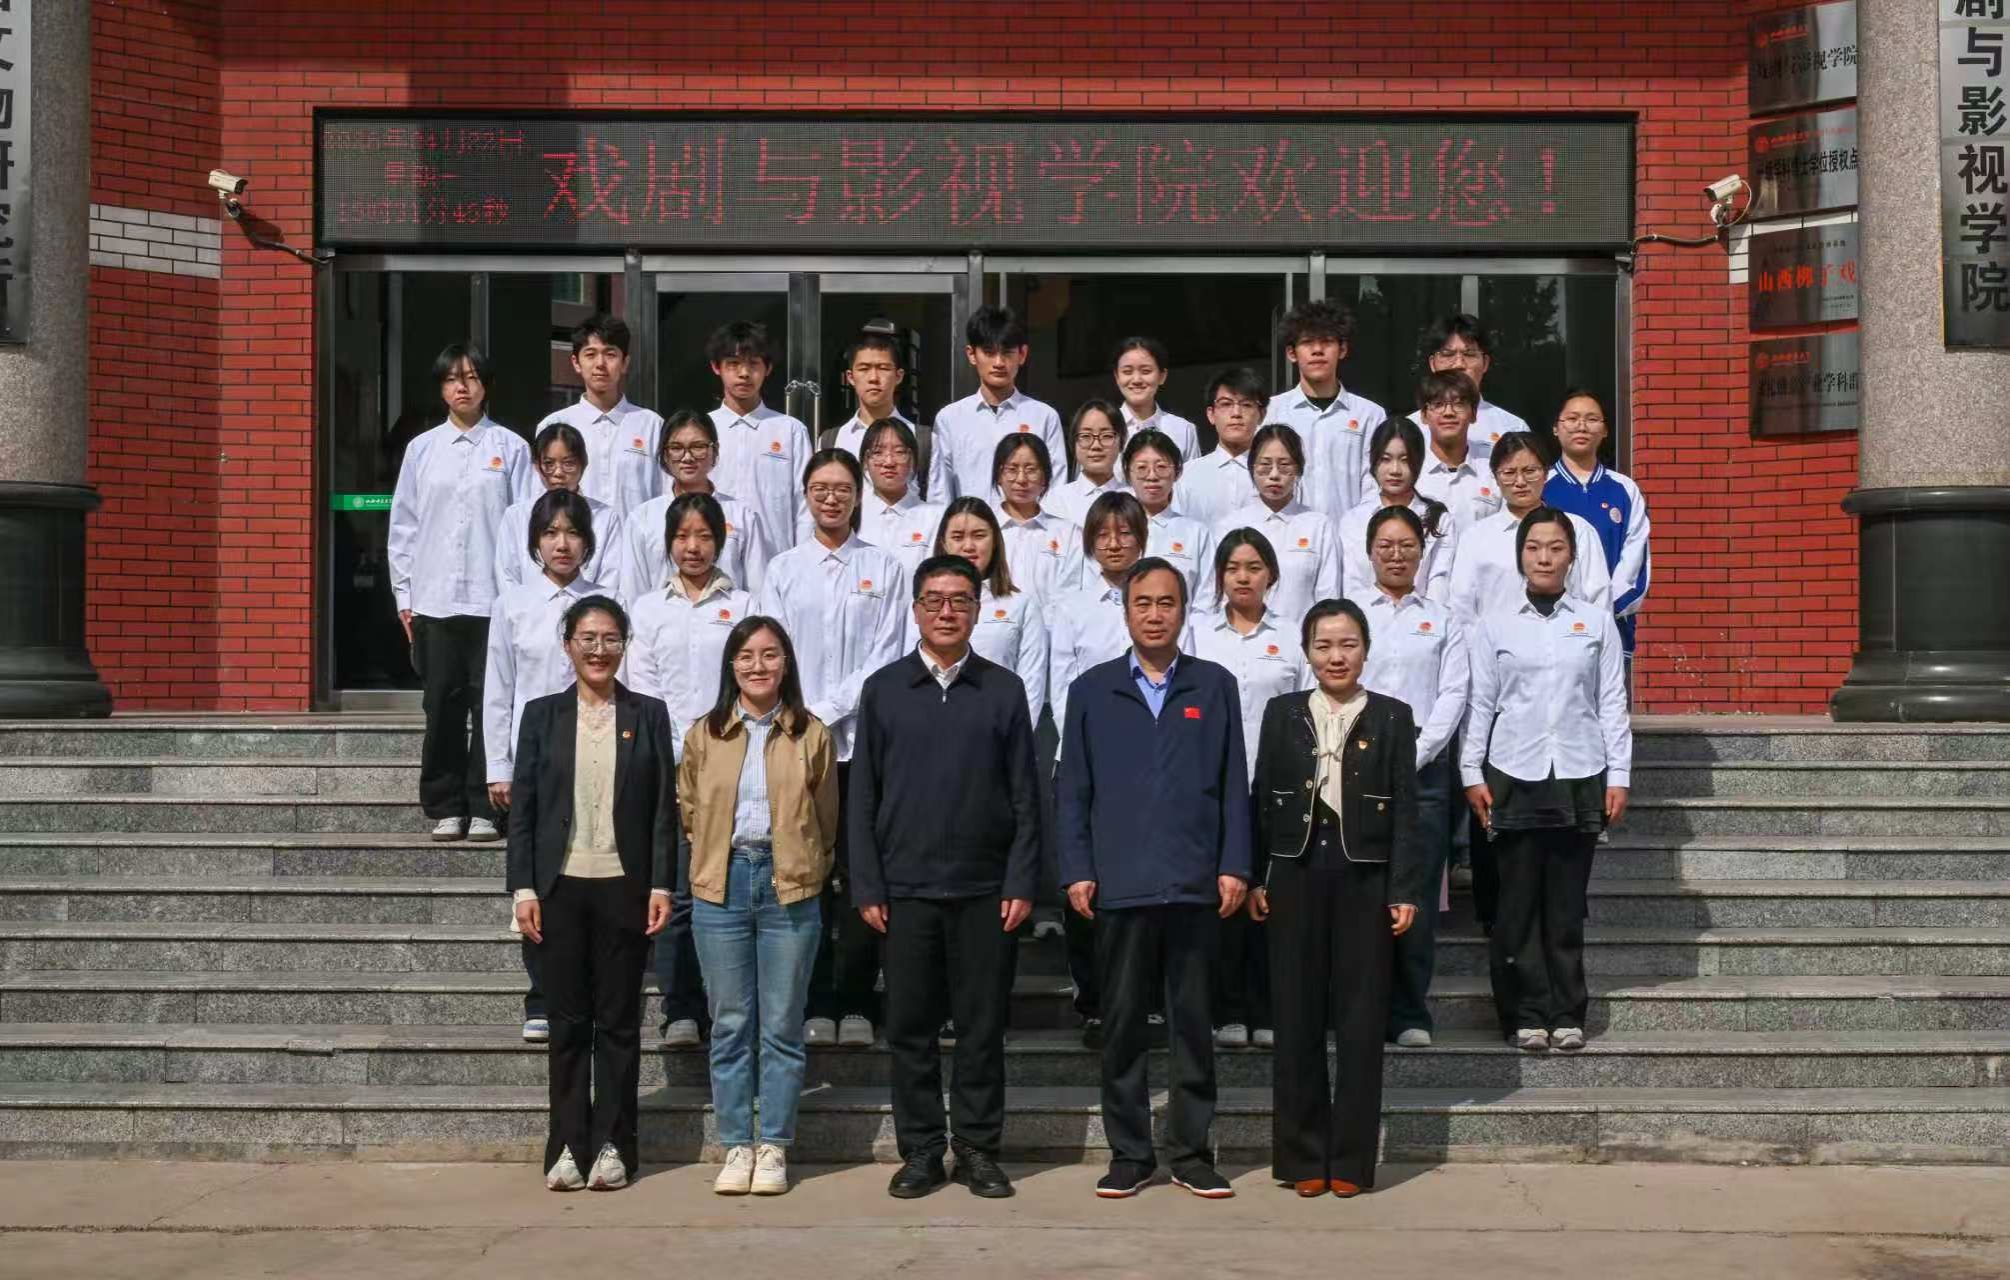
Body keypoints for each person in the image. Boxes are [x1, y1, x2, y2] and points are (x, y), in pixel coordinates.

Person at [1058, 557, 1251, 1200]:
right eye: (1143, 603)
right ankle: (1131, 1154)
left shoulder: (1214, 685)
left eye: (1167, 603)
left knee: (1193, 1024)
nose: (1154, 614)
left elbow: (1233, 783)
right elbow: (1073, 789)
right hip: (1120, 883)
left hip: (1194, 883)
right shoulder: (1091, 690)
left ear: (1184, 611)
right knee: (1121, 1025)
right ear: (1125, 611)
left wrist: (1234, 864)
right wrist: (1077, 868)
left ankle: (1192, 1153)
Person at [852, 555, 1043, 1201]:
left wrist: (1021, 880)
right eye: (934, 600)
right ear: (915, 610)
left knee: (981, 1030)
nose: (946, 611)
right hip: (904, 892)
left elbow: (1025, 795)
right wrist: (868, 884)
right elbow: (864, 796)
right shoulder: (884, 689)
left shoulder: (1003, 689)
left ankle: (978, 1148)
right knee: (910, 1031)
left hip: (985, 892)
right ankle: (923, 1151)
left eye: (960, 600)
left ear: (978, 610)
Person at [1248, 598, 1428, 1197]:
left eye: (1347, 644)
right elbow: (1261, 798)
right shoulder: (1282, 713)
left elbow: (1408, 810)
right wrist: (1257, 877)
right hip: (1294, 872)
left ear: (1366, 650)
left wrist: (1404, 888)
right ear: (1306, 652)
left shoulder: (1393, 716)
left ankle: (1350, 1161)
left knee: (1360, 1019)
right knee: (1295, 1015)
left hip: (1365, 876)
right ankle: (1303, 1158)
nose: (1336, 656)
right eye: (1323, 645)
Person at [507, 595, 674, 1193]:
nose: (599, 650)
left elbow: (662, 808)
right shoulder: (541, 715)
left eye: (610, 639)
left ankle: (614, 1145)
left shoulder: (648, 713)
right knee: (568, 1023)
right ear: (568, 645)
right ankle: (566, 1146)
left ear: (624, 646)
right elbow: (524, 809)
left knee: (620, 1022)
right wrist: (523, 887)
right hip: (560, 887)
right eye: (588, 638)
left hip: (625, 887)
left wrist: (661, 882)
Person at [1461, 507, 1632, 1055]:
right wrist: (1470, 771)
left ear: (1571, 556)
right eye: (1534, 547)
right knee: (1516, 905)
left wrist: (1620, 775)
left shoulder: (1596, 622)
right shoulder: (1495, 625)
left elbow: (1612, 702)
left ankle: (1567, 1012)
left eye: (1555, 548)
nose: (1544, 558)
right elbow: (1480, 702)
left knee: (1565, 905)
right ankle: (1525, 1013)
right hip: (1513, 771)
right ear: (1520, 556)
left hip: (1579, 772)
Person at [680, 615, 839, 1197]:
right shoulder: (706, 733)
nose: (758, 665)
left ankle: (773, 1143)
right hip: (721, 886)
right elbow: (688, 808)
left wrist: (807, 866)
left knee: (781, 1025)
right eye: (746, 655)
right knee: (729, 1024)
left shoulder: (810, 733)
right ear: (731, 665)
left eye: (770, 654)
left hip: (788, 887)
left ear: (786, 663)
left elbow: (826, 816)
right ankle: (735, 1145)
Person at [756, 449, 907, 1047]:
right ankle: (816, 999)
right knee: (806, 873)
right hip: (796, 743)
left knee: (861, 872)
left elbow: (888, 653)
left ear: (858, 494)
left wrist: (827, 708)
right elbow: (770, 653)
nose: (831, 497)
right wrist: (802, 713)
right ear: (806, 494)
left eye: (843, 487)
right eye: (820, 487)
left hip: (861, 744)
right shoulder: (783, 569)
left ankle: (857, 1002)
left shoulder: (885, 568)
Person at [624, 491, 757, 1049]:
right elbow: (644, 687)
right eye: (682, 536)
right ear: (668, 544)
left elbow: (751, 680)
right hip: (672, 765)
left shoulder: (746, 605)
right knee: (678, 891)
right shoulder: (647, 609)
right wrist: (682, 753)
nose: (693, 546)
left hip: (736, 764)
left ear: (720, 542)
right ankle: (680, 1008)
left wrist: (720, 751)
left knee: (730, 889)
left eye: (704, 536)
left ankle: (731, 1004)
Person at [388, 342, 535, 843]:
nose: (462, 387)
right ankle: (445, 804)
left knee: (490, 705)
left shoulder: (511, 448)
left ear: (486, 386)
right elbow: (404, 527)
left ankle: (484, 806)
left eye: (471, 377)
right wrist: (404, 597)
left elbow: (524, 529)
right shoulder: (422, 449)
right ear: (442, 388)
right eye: (453, 378)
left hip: (494, 600)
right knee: (442, 706)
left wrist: (522, 597)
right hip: (434, 599)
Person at [482, 489, 608, 1044]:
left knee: (591, 876)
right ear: (535, 541)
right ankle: (541, 996)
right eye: (551, 533)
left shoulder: (605, 602)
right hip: (534, 759)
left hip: (598, 755)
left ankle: (592, 989)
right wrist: (498, 765)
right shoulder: (512, 603)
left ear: (588, 542)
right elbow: (498, 689)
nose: (563, 544)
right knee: (536, 881)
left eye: (573, 532)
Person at [1190, 530, 1311, 1050]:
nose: (1243, 577)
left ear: (1272, 576)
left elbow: (1307, 708)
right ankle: (1228, 1009)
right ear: (1219, 575)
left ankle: (1269, 1009)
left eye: (1255, 567)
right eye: (1233, 567)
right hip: (1213, 786)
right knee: (1224, 900)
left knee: (1272, 901)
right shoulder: (1197, 632)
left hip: (1276, 787)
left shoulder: (1291, 635)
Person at [1357, 507, 1469, 1049]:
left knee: (1416, 894)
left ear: (1422, 553)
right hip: (1357, 759)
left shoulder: (1443, 619)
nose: (1396, 555)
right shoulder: (1351, 614)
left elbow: (1453, 693)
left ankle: (1409, 1011)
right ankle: (1359, 1005)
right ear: (1369, 551)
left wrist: (1417, 753)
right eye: (1386, 544)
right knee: (1359, 889)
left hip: (1425, 768)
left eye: (1407, 545)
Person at [1046, 491, 1152, 1047]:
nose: (1114, 543)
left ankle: (1147, 1004)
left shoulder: (1159, 597)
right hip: (1085, 759)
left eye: (1125, 532)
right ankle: (1093, 1002)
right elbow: (1060, 688)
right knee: (1085, 884)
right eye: (1104, 534)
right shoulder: (1070, 605)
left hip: (1150, 765)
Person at [1448, 431, 1610, 624]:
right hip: (1494, 642)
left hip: (1567, 639)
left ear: (1546, 473)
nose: (1520, 482)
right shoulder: (1475, 537)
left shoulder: (1578, 530)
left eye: (1530, 471)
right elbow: (1462, 609)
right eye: (1509, 473)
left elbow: (1598, 601)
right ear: (1495, 478)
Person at [619, 409, 774, 603]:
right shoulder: (642, 518)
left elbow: (758, 591)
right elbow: (632, 593)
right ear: (665, 454)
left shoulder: (742, 516)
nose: (687, 457)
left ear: (715, 451)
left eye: (698, 447)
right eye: (676, 448)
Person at [1542, 389, 1650, 662]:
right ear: (1556, 428)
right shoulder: (1540, 486)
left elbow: (1635, 562)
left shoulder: (1624, 489)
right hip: (1549, 625)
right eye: (1572, 418)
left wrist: (1601, 613)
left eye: (1592, 419)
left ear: (1605, 430)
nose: (1581, 426)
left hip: (1613, 627)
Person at [933, 497, 1049, 730]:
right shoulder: (923, 604)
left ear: (995, 540)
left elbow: (1030, 686)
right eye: (958, 537)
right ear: (944, 543)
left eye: (979, 536)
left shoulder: (1021, 605)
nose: (968, 546)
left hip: (998, 733)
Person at [1266, 300, 1387, 516]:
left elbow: (1375, 485)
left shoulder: (1370, 415)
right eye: (1307, 342)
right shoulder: (1271, 412)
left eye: (1327, 341)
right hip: (1289, 532)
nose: (1317, 350)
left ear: (1342, 349)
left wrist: (1356, 529)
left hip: (1352, 533)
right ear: (1291, 353)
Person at [1214, 423, 1341, 629]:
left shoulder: (1318, 526)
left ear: (1298, 469)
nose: (1274, 474)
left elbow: (1328, 597)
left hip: (1300, 641)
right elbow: (1218, 596)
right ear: (1252, 468)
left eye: (1284, 465)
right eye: (1265, 465)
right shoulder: (1230, 526)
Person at [934, 305, 1066, 501]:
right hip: (969, 521)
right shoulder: (950, 419)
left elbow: (1056, 489)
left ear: (1022, 354)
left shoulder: (1044, 417)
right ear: (971, 354)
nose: (998, 362)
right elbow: (940, 492)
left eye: (1007, 353)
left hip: (1029, 521)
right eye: (989, 352)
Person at [537, 316, 663, 520]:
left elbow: (663, 496)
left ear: (625, 363)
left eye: (610, 354)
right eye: (590, 354)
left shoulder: (651, 425)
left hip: (634, 539)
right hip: (574, 537)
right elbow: (541, 496)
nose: (600, 364)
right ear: (576, 363)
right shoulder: (554, 425)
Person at [708, 320, 815, 550]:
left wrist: (801, 559)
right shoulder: (702, 429)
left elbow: (804, 504)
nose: (744, 373)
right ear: (716, 367)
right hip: (714, 556)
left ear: (768, 369)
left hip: (775, 557)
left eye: (753, 364)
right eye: (733, 363)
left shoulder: (790, 430)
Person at [1339, 419, 1459, 602]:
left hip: (1424, 617)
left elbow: (1440, 580)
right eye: (1385, 459)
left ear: (1419, 462)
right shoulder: (1353, 520)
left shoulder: (1439, 519)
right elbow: (1352, 583)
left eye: (1405, 460)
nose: (1395, 470)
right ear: (1373, 461)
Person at [495, 422, 623, 592]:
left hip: (590, 607)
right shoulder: (516, 516)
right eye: (549, 464)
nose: (558, 472)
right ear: (537, 466)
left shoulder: (605, 517)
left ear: (584, 463)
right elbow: (508, 576)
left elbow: (610, 578)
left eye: (568, 463)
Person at [829, 327, 948, 500]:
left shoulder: (924, 440)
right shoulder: (832, 440)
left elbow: (939, 504)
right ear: (851, 377)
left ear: (899, 376)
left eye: (883, 368)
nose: (873, 378)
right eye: (864, 368)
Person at [1113, 428, 1216, 615]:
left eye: (1161, 467)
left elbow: (1206, 601)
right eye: (1142, 468)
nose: (1152, 476)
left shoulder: (1197, 534)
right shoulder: (1111, 529)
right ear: (1127, 473)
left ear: (1176, 472)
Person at [1405, 313, 1531, 453]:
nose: (1459, 364)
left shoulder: (1512, 428)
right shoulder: (1408, 430)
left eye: (1469, 354)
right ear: (1432, 364)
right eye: (1448, 354)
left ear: (1485, 363)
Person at [988, 433, 1079, 605]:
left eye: (1031, 470)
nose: (1021, 479)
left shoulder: (1069, 535)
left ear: (1044, 477)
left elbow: (1074, 594)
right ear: (999, 475)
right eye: (1012, 469)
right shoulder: (983, 530)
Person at [1411, 369, 1505, 530]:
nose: (1448, 413)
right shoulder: (1410, 470)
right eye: (1438, 404)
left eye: (1459, 404)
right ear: (1424, 415)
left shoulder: (1494, 469)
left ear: (1474, 414)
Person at [1177, 367, 1266, 528]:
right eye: (1226, 404)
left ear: (1261, 415)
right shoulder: (1187, 476)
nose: (1236, 413)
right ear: (1211, 414)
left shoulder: (1274, 475)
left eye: (1246, 404)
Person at [857, 417, 947, 574]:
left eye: (899, 452)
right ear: (866, 460)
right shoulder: (852, 517)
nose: (889, 462)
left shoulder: (935, 518)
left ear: (912, 459)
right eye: (878, 452)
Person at [1112, 336, 1200, 459]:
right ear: (1117, 377)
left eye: (1146, 371)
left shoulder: (1184, 430)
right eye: (1127, 372)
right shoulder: (1103, 428)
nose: (1136, 380)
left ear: (1162, 376)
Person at [1049, 399, 1130, 526]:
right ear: (1073, 443)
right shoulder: (1057, 500)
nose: (1096, 445)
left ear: (1122, 441)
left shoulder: (1133, 498)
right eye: (1086, 436)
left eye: (1106, 436)